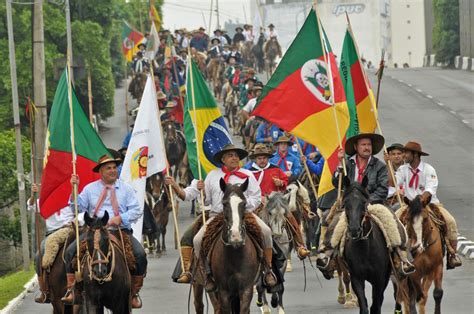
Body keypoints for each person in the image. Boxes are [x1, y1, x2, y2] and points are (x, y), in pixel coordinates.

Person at [164, 144, 277, 291]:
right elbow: (206, 201)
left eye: (236, 155)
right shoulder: (212, 176)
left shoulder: (248, 175)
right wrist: (201, 192)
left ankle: (267, 269)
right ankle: (206, 274)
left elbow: (256, 198)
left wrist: (240, 205)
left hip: (244, 214)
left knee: (266, 231)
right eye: (230, 155)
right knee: (197, 240)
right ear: (223, 159)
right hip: (217, 216)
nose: (235, 158)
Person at [316, 133, 415, 275]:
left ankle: (402, 257)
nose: (366, 147)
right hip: (351, 206)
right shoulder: (347, 164)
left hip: (374, 204)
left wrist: (366, 202)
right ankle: (327, 254)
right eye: (363, 145)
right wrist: (339, 163)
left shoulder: (379, 166)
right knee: (331, 220)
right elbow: (335, 182)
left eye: (368, 145)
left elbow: (382, 189)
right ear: (356, 147)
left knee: (391, 220)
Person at [61, 155, 147, 309]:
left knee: (140, 254)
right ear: (100, 171)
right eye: (109, 168)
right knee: (69, 252)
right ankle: (72, 290)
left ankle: (134, 293)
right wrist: (74, 188)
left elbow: (136, 210)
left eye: (114, 167)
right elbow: (78, 207)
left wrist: (120, 218)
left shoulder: (126, 188)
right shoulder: (89, 189)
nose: (113, 170)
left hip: (120, 231)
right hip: (94, 231)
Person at [390, 141, 462, 269]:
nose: (403, 155)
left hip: (429, 204)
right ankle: (394, 256)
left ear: (415, 155)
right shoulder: (403, 169)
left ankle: (453, 254)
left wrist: (420, 201)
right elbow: (392, 183)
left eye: (406, 153)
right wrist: (387, 164)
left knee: (450, 221)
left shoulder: (429, 169)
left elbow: (430, 189)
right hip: (410, 206)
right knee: (393, 222)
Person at [246, 144, 311, 259]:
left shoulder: (275, 168)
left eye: (264, 158)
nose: (262, 160)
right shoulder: (248, 171)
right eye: (260, 158)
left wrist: (281, 183)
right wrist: (257, 197)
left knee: (291, 218)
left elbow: (285, 181)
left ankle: (300, 245)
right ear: (255, 159)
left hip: (275, 201)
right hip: (256, 203)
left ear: (268, 158)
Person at [28, 183, 82, 303]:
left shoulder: (70, 198)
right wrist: (33, 194)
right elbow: (31, 206)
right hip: (51, 234)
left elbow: (80, 209)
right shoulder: (44, 201)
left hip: (70, 230)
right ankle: (44, 290)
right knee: (39, 256)